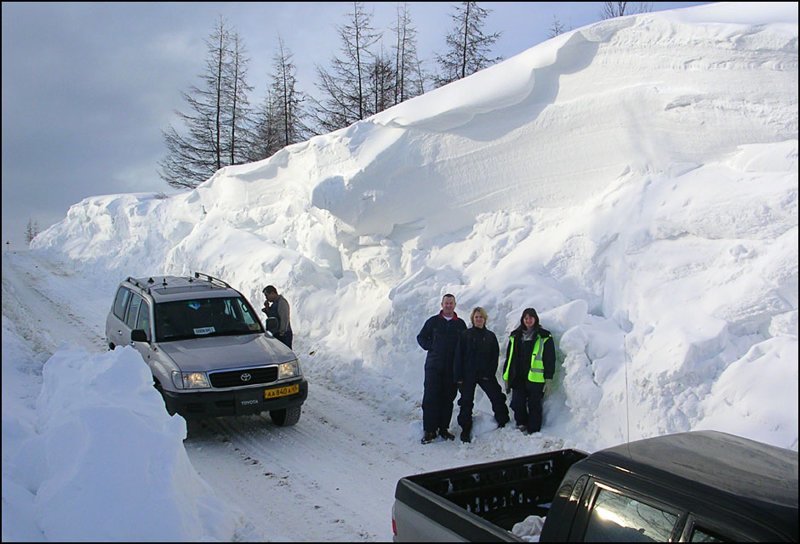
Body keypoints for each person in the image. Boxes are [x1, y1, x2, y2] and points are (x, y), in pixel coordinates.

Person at [453, 307, 510, 443]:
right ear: (473, 319)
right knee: (466, 402)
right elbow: (458, 357)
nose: (478, 319)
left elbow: (494, 356)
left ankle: (503, 421)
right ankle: (465, 429)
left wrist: (489, 373)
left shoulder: (490, 336)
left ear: (485, 319)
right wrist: (459, 377)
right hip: (468, 375)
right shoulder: (465, 335)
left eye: (481, 317)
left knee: (497, 396)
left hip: (485, 374)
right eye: (476, 317)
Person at [416, 293, 467, 444]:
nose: (448, 306)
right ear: (442, 304)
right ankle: (429, 430)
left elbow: (464, 345)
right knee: (431, 398)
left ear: (455, 305)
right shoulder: (433, 322)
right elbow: (421, 337)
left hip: (451, 368)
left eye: (451, 303)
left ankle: (443, 428)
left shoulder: (460, 325)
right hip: (434, 366)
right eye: (446, 303)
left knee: (447, 398)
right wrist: (431, 346)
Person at [502, 307, 555, 434]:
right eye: (526, 318)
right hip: (518, 376)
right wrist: (507, 376)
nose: (528, 320)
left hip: (535, 378)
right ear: (522, 320)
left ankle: (534, 428)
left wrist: (548, 378)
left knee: (534, 405)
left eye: (531, 317)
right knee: (516, 402)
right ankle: (522, 422)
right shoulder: (515, 336)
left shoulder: (544, 336)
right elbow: (509, 357)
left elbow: (550, 358)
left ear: (535, 319)